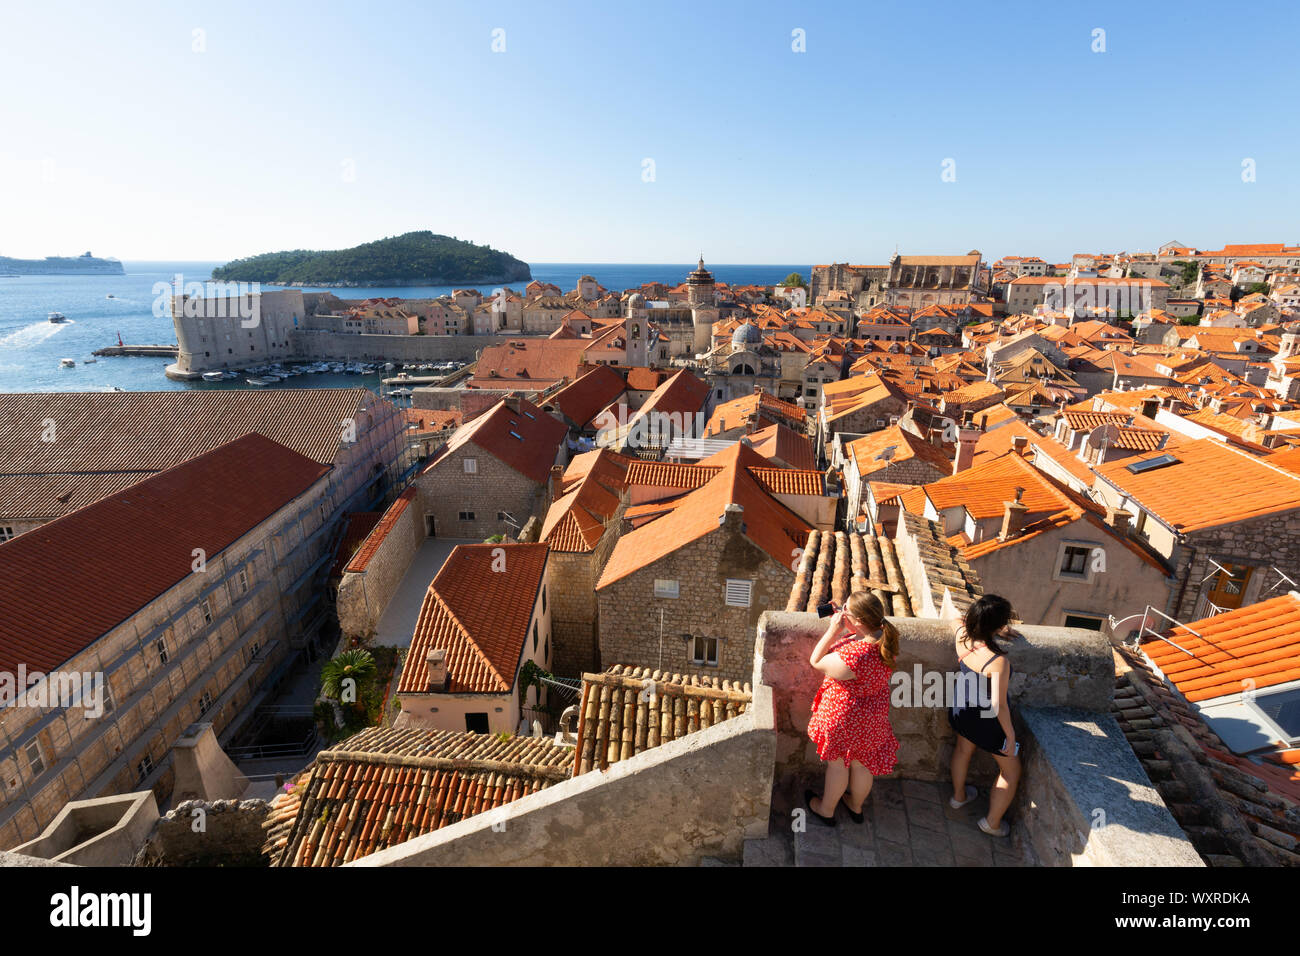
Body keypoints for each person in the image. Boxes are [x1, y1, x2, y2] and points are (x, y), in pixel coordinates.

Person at [804, 591, 900, 826]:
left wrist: (833, 631)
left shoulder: (855, 656)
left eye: (846, 610)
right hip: (872, 718)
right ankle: (855, 806)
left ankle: (826, 810)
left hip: (846, 718)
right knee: (861, 764)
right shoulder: (886, 641)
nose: (841, 612)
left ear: (858, 621)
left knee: (837, 766)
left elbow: (815, 661)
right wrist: (849, 624)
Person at [947, 594, 1020, 837]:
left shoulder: (961, 636)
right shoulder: (998, 661)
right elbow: (999, 705)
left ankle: (958, 797)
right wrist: (1010, 736)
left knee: (962, 751)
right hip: (987, 721)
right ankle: (992, 823)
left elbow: (956, 617)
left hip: (961, 710)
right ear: (997, 625)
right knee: (1011, 772)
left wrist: (995, 628)